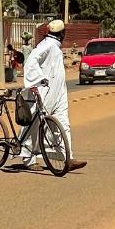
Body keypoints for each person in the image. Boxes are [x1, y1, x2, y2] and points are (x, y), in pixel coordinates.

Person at [16, 20, 87, 171]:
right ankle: (28, 159)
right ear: (62, 34)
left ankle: (67, 157)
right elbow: (30, 63)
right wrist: (37, 80)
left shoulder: (54, 46)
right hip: (43, 92)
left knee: (62, 124)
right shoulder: (47, 46)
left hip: (58, 93)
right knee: (34, 125)